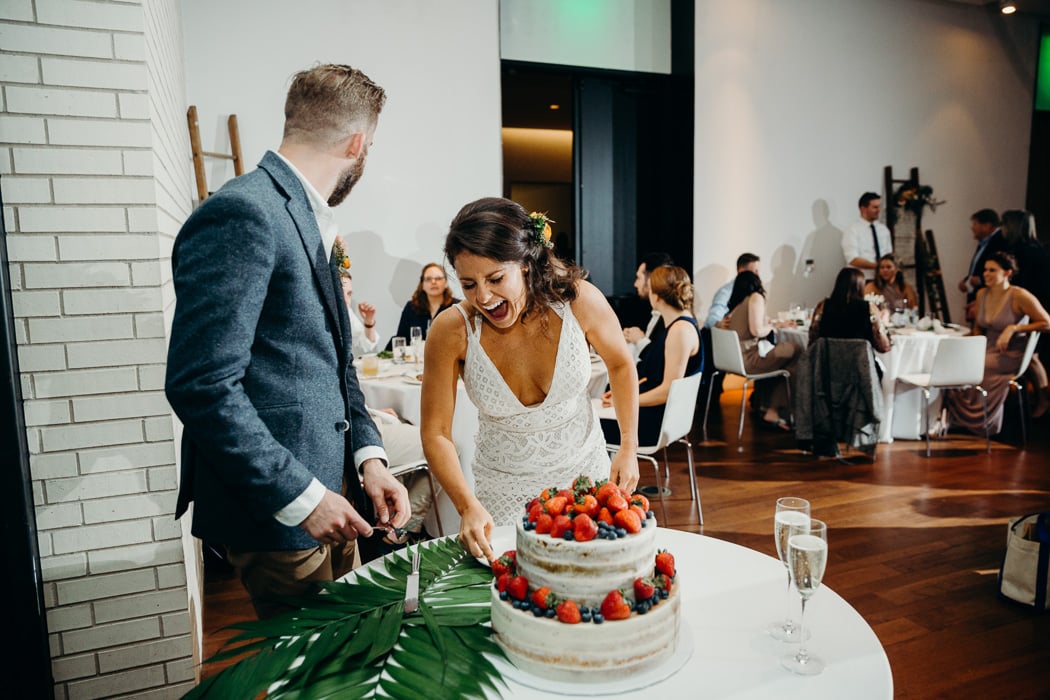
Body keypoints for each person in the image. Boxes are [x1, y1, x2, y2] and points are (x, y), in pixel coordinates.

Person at [165, 64, 410, 619]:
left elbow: (332, 364)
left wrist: (369, 458)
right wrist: (300, 496)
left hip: (339, 490)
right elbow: (201, 385)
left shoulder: (303, 215)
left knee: (344, 655)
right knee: (309, 672)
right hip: (284, 510)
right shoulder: (243, 212)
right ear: (358, 143)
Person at [421, 197, 640, 561]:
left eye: (495, 279)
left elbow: (620, 364)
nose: (484, 297)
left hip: (585, 473)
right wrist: (466, 505)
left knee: (594, 579)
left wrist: (629, 445)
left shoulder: (577, 301)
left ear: (525, 264)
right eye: (468, 284)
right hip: (503, 491)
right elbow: (436, 433)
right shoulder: (451, 330)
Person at [947, 252, 1050, 435]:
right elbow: (978, 327)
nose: (986, 274)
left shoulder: (1020, 296)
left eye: (992, 270)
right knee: (955, 362)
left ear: (1007, 273)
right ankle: (959, 417)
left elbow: (1047, 323)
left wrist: (1014, 328)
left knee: (974, 366)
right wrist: (973, 347)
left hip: (1011, 353)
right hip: (988, 348)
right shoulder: (981, 294)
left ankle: (978, 420)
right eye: (985, 270)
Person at [601, 265, 702, 445]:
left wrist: (624, 401)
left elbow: (667, 391)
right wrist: (620, 393)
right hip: (652, 412)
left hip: (655, 423)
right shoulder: (676, 326)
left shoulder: (680, 331)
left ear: (655, 297)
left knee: (589, 426)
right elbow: (654, 376)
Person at [719, 270, 801, 429]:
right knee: (796, 350)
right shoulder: (755, 297)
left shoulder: (735, 307)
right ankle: (779, 410)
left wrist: (774, 325)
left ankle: (766, 406)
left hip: (735, 360)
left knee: (783, 362)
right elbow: (757, 331)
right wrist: (771, 327)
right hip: (750, 359)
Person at [812, 267, 891, 356]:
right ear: (860, 286)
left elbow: (813, 339)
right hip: (861, 366)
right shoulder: (869, 308)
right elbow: (884, 346)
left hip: (826, 365)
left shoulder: (823, 306)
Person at [389, 262, 459, 345]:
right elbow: (401, 338)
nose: (433, 282)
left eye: (438, 278)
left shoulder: (457, 307)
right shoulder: (411, 307)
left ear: (446, 283)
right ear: (422, 284)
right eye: (428, 279)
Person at [622, 252, 674, 361]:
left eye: (638, 278)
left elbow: (658, 362)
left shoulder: (671, 319)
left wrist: (640, 340)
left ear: (651, 279)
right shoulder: (653, 311)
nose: (635, 284)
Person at [959, 208, 1008, 322]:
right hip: (977, 297)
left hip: (990, 300)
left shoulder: (1000, 242)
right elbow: (978, 267)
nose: (972, 227)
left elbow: (997, 267)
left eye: (975, 224)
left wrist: (980, 279)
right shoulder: (983, 242)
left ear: (987, 225)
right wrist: (967, 280)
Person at [336, 257, 380, 358]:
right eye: (341, 294)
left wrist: (369, 321)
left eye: (349, 294)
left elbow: (366, 344)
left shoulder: (347, 312)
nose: (347, 300)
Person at [704, 253, 760, 329]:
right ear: (741, 270)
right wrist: (718, 323)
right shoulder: (725, 292)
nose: (758, 275)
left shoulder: (755, 291)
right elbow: (712, 318)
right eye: (755, 271)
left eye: (758, 271)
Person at [842, 192, 893, 272]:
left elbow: (889, 255)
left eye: (879, 207)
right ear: (863, 209)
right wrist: (878, 266)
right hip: (862, 279)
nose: (879, 210)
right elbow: (852, 259)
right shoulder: (852, 230)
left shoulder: (884, 230)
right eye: (875, 207)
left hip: (882, 279)